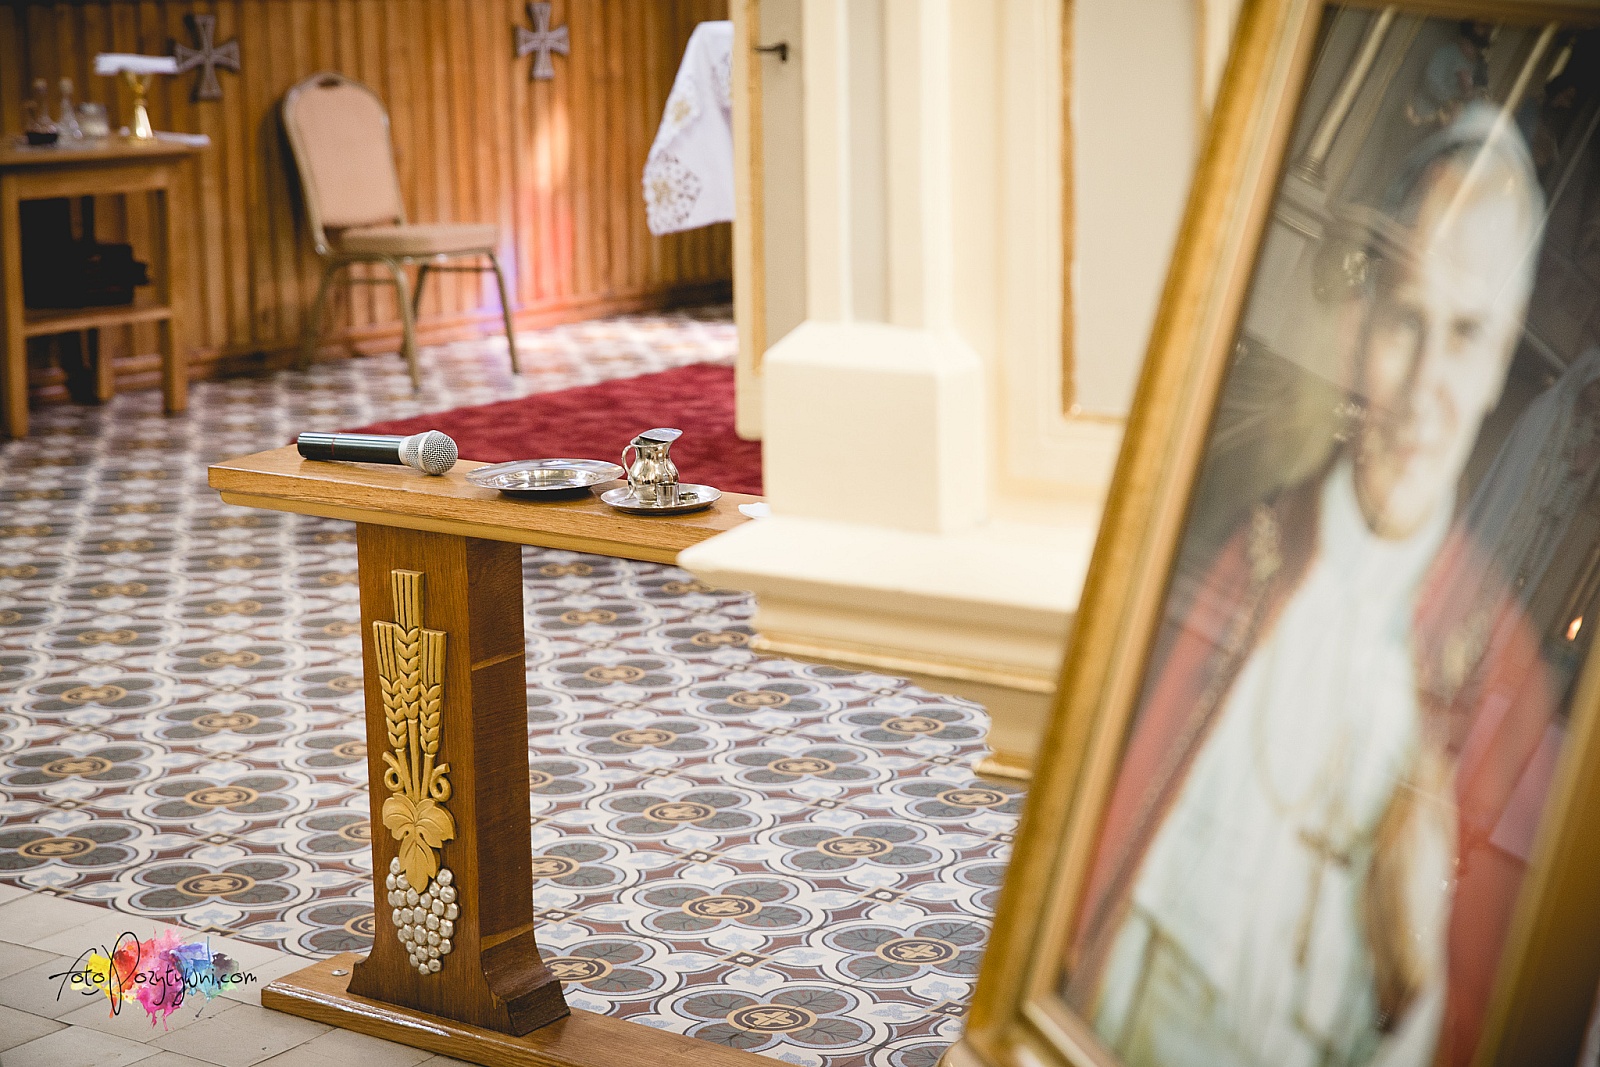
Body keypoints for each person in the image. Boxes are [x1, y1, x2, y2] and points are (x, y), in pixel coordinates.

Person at [1064, 105, 1552, 1067]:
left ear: (1500, 366)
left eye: (1466, 335)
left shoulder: (1507, 676)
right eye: (1407, 320)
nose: (1425, 388)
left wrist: (1416, 972)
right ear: (1357, 331)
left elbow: (1477, 1019)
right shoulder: (1229, 537)